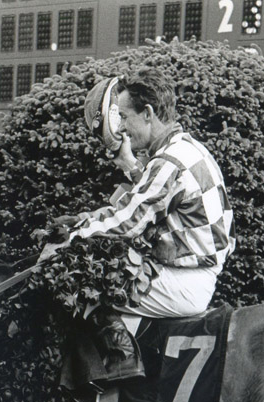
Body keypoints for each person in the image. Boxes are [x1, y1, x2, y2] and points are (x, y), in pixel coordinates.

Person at [43, 71, 235, 385]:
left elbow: (127, 222)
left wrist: (68, 241)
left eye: (123, 116)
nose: (118, 127)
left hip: (184, 282)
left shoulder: (169, 161)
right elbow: (152, 195)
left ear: (147, 114)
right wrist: (127, 164)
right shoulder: (185, 148)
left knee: (75, 276)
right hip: (194, 272)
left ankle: (123, 362)